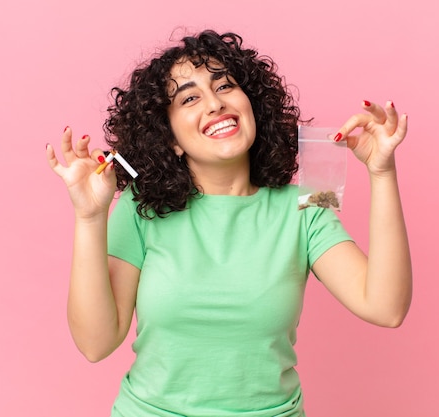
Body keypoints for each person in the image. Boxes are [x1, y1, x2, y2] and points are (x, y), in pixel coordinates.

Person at [45, 30, 412, 417]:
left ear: (252, 105)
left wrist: (382, 172)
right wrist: (89, 217)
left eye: (225, 86)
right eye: (190, 97)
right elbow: (95, 344)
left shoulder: (307, 203)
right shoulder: (142, 207)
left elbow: (386, 308)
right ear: (170, 139)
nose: (216, 103)